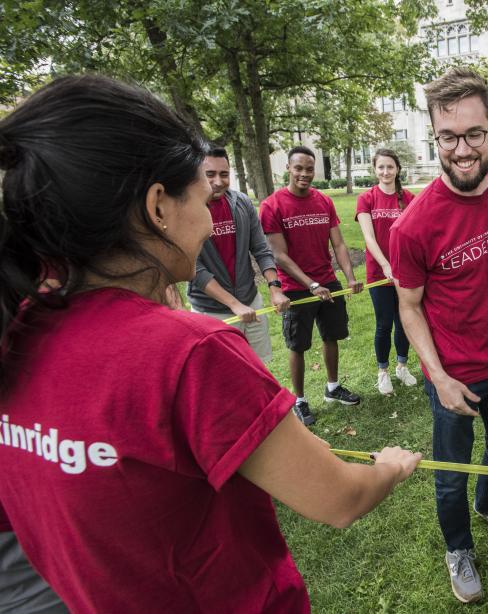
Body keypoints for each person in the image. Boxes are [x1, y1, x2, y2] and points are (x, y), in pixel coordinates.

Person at [0, 75, 420, 612]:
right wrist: (389, 466)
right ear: (158, 207)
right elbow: (339, 497)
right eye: (201, 198)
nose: (208, 220)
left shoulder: (18, 332)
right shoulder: (193, 352)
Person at [389, 67, 488, 604]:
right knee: (449, 476)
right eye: (448, 136)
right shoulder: (412, 226)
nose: (461, 150)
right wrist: (438, 379)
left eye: (473, 134)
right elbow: (409, 308)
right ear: (435, 135)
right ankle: (457, 547)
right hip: (454, 377)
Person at [259, 146, 362, 426]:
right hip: (295, 286)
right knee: (298, 345)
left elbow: (338, 243)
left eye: (309, 168)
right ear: (289, 169)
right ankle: (300, 401)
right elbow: (278, 254)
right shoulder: (272, 205)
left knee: (332, 336)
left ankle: (332, 387)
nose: (304, 174)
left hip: (327, 280)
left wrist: (349, 277)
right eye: (298, 168)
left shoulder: (324, 202)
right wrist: (311, 283)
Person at [187, 146, 289, 364]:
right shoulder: (186, 210)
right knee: (223, 377)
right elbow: (195, 268)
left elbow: (261, 249)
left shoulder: (242, 203)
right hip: (212, 311)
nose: (218, 181)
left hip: (250, 301)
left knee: (260, 367)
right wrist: (234, 304)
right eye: (210, 174)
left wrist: (275, 289)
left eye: (224, 174)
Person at [356, 149, 418, 395]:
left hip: (404, 274)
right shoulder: (367, 198)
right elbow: (369, 238)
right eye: (381, 167)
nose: (385, 172)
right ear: (375, 169)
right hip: (378, 273)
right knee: (384, 324)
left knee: (404, 322)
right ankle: (383, 372)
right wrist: (385, 265)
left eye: (390, 167)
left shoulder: (409, 198)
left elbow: (415, 234)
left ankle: (401, 366)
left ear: (397, 170)